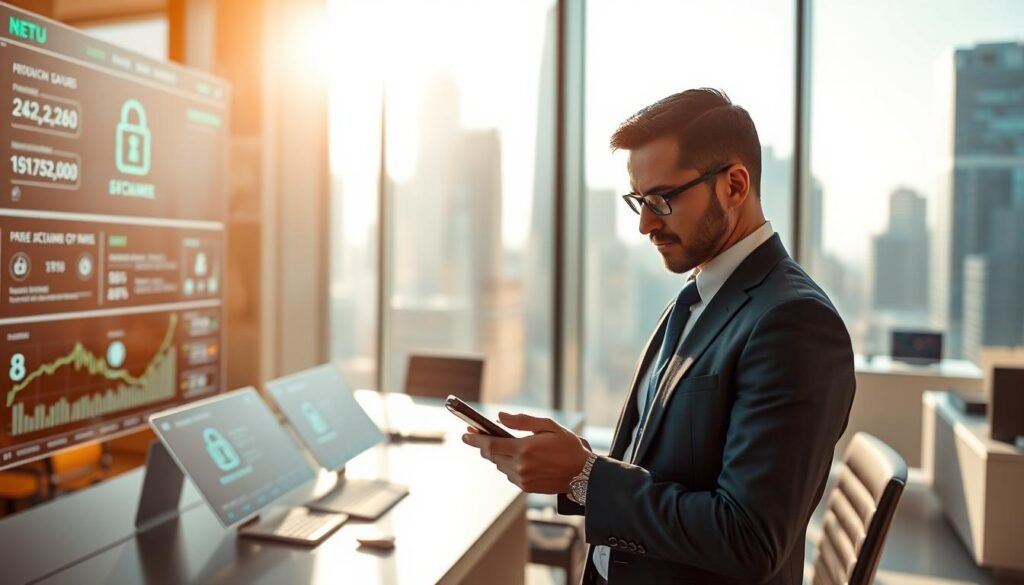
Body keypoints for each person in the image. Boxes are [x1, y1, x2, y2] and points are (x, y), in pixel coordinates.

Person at [461, 88, 855, 584]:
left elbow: (748, 538)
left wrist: (585, 478)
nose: (646, 224)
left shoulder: (794, 324)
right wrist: (578, 464)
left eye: (662, 200)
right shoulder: (698, 298)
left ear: (734, 185)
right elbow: (668, 466)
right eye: (639, 201)